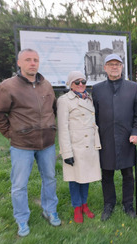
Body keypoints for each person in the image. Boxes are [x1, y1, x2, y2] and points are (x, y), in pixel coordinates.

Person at [0, 48, 60, 237]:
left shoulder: (46, 85)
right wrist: (10, 133)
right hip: (22, 145)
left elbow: (54, 109)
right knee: (19, 184)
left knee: (50, 179)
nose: (32, 63)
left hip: (47, 144)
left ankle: (49, 210)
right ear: (19, 63)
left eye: (35, 59)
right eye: (28, 60)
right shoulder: (8, 86)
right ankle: (21, 218)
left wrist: (52, 127)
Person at [92, 54, 137, 221]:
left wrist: (136, 132)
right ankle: (109, 204)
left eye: (117, 64)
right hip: (105, 138)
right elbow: (94, 116)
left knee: (128, 174)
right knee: (106, 174)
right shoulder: (97, 89)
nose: (114, 67)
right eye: (110, 64)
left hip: (127, 138)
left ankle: (128, 204)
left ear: (122, 67)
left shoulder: (133, 87)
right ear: (105, 68)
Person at [57, 71, 102, 224]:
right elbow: (62, 128)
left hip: (89, 145)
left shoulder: (89, 99)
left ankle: (84, 204)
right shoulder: (64, 100)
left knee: (86, 176)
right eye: (77, 82)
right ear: (70, 84)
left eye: (83, 81)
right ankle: (77, 207)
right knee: (75, 178)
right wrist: (66, 152)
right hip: (75, 146)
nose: (81, 84)